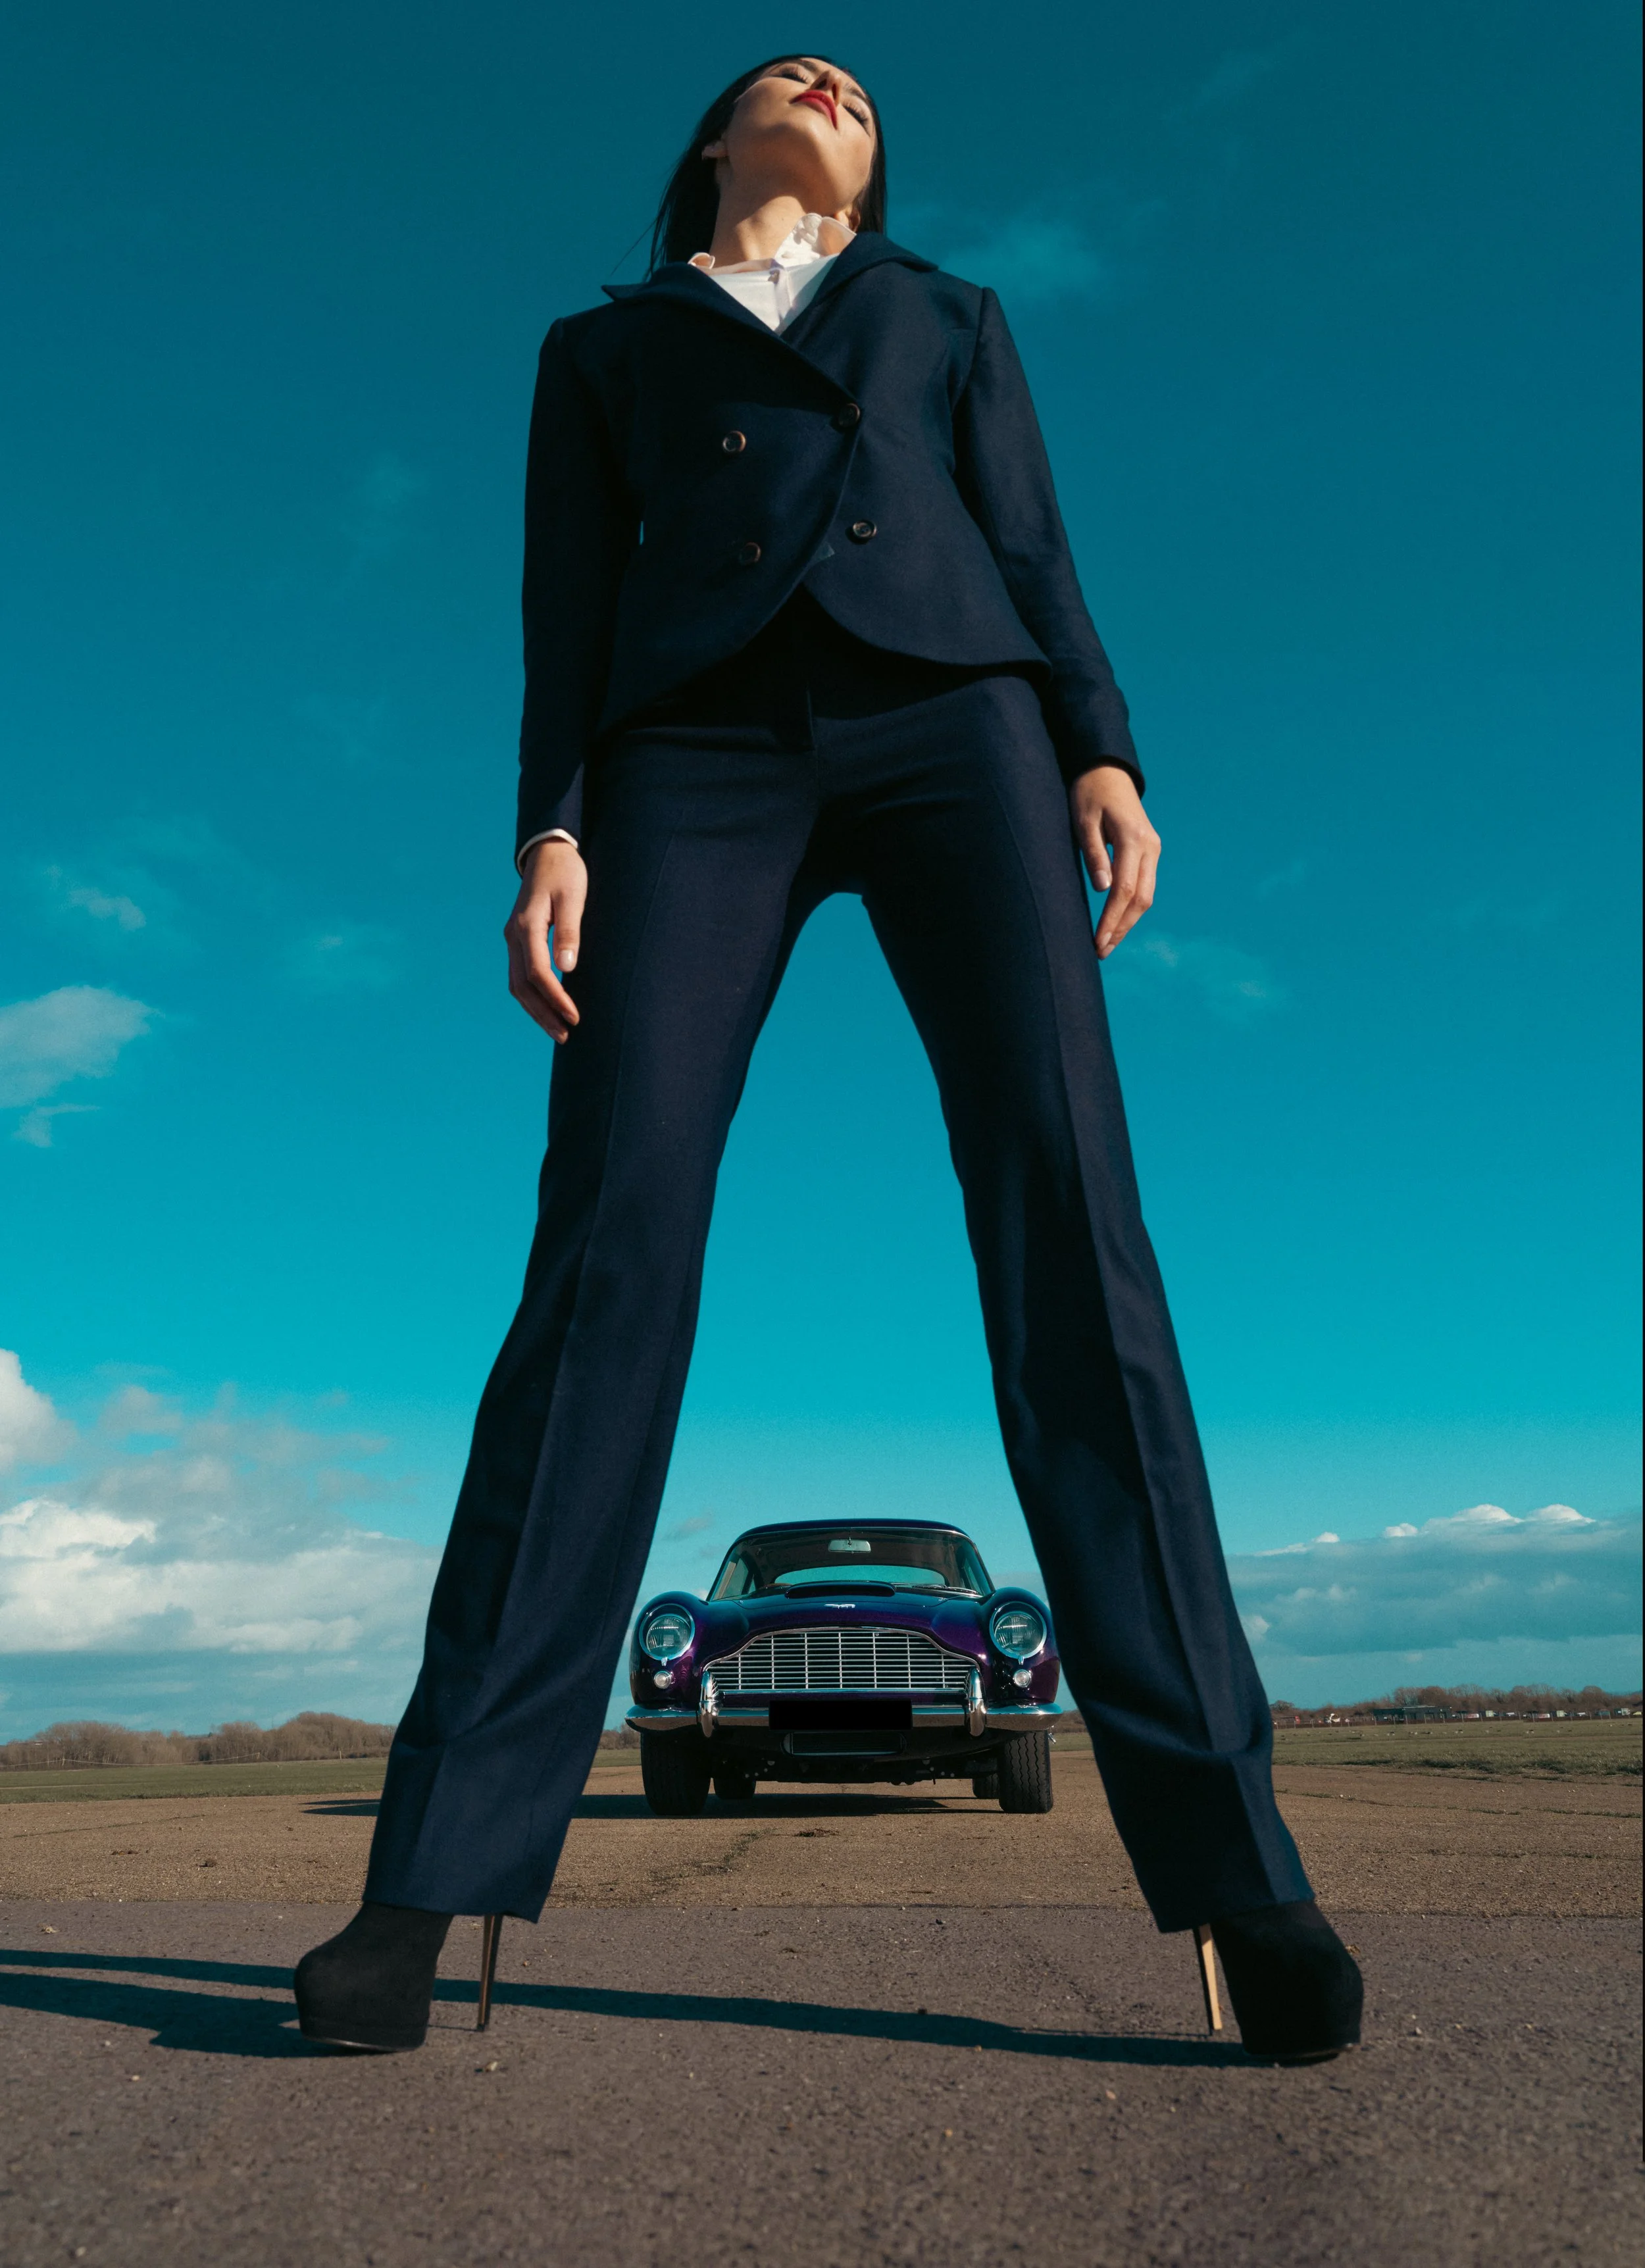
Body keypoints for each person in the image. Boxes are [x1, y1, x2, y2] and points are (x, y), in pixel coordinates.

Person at [295, 55, 1362, 2064]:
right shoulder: (599, 347)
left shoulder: (948, 315)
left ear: (875, 174)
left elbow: (1037, 549)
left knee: (1074, 1229)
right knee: (606, 1253)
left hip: (958, 728)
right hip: (686, 757)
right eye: (782, 72)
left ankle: (1239, 1868)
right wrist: (551, 824)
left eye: (856, 89)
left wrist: (1099, 743)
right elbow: (561, 607)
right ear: (706, 142)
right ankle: (422, 1877)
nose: (820, 77)